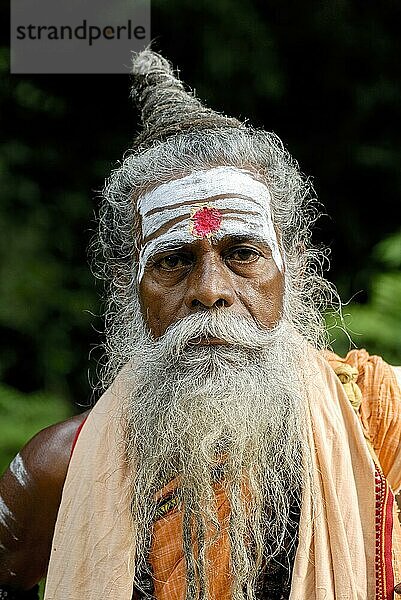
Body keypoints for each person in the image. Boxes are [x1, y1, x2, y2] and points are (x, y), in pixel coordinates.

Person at [0, 49, 401, 600]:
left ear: (296, 267)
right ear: (129, 288)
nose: (210, 290)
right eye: (173, 260)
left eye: (241, 252)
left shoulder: (382, 422)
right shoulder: (56, 474)